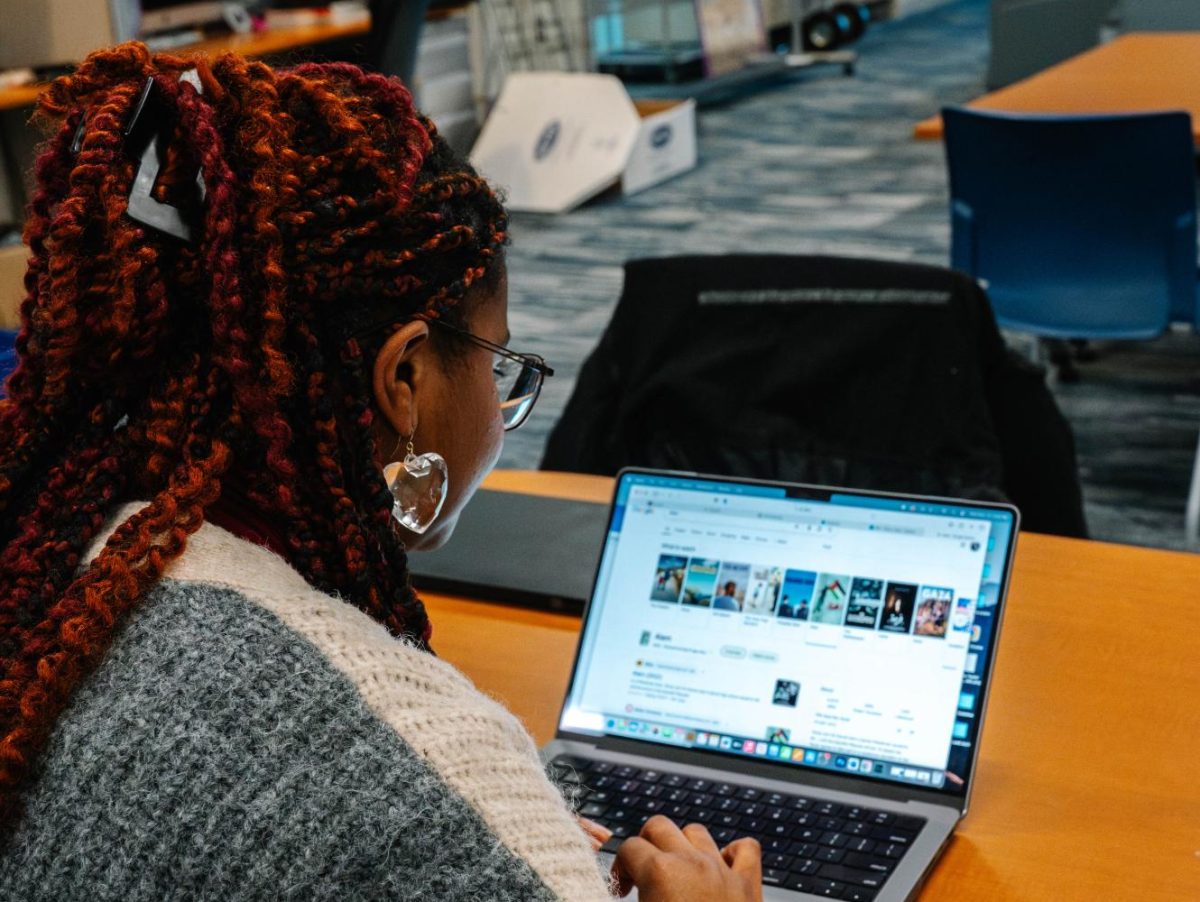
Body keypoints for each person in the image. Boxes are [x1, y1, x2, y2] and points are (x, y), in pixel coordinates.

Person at [0, 45, 761, 900]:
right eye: (497, 360)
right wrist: (514, 846)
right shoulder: (445, 783)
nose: (501, 398)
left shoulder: (46, 566)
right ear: (405, 379)